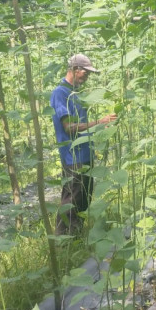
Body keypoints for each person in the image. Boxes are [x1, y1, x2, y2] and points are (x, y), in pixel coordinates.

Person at [50, 53, 117, 236]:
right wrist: (99, 123)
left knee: (83, 199)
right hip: (73, 157)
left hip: (86, 153)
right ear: (74, 69)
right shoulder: (60, 93)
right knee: (71, 199)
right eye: (85, 72)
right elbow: (69, 127)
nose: (87, 76)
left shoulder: (78, 94)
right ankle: (63, 239)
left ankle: (77, 236)